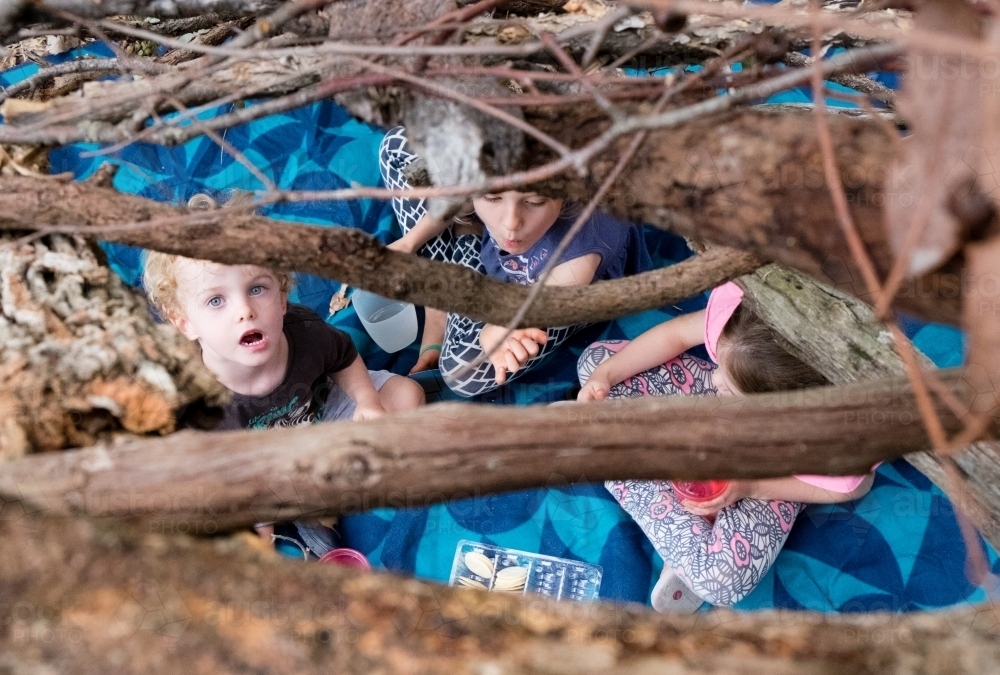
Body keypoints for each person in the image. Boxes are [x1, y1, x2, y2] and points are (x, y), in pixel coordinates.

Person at [577, 282, 875, 611]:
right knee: (597, 362)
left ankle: (617, 463)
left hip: (776, 470)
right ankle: (683, 536)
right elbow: (675, 336)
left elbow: (857, 484)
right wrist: (606, 376)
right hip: (722, 402)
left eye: (731, 390)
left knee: (719, 580)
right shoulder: (744, 316)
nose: (715, 379)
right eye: (717, 362)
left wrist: (751, 486)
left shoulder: (836, 429)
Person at [143, 245, 425, 554]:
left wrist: (368, 400)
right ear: (185, 322)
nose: (245, 310)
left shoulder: (304, 333)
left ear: (281, 297)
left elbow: (343, 358)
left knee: (407, 395)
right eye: (215, 300)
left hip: (324, 415)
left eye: (257, 288)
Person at [379, 126, 652, 396]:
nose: (511, 223)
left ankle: (458, 259)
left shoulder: (581, 252)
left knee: (463, 373)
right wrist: (409, 242)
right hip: (495, 247)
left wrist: (494, 331)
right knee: (397, 143)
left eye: (534, 201)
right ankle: (439, 306)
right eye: (493, 197)